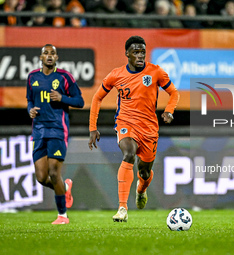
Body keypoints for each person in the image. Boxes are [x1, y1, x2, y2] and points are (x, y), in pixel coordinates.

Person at [88, 36, 179, 222]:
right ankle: (122, 208)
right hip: (126, 123)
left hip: (149, 129)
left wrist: (169, 111)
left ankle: (141, 189)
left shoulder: (156, 72)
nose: (140, 56)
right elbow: (97, 98)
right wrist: (92, 128)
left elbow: (174, 93)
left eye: (142, 52)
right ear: (127, 54)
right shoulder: (116, 75)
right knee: (128, 154)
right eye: (136, 52)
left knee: (144, 172)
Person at [26, 44, 84, 224]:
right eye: (46, 53)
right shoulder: (32, 77)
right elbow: (29, 99)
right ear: (41, 57)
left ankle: (62, 215)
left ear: (56, 57)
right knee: (42, 177)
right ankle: (65, 187)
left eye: (52, 53)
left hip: (58, 129)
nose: (49, 56)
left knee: (53, 172)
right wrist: (30, 110)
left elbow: (80, 101)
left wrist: (62, 98)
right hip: (39, 131)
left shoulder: (65, 77)